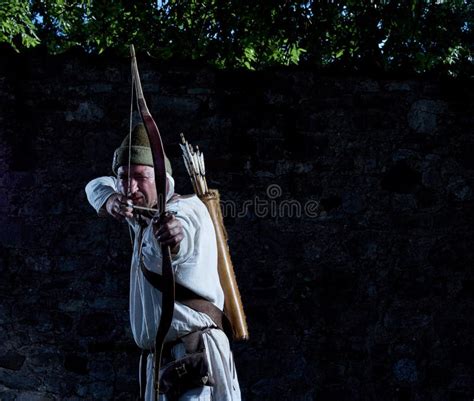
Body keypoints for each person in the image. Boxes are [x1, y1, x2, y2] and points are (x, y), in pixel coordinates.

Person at [85, 123, 241, 401]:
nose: (129, 186)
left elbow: (179, 236)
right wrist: (110, 200)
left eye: (141, 177)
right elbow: (95, 184)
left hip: (194, 359)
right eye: (123, 177)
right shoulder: (140, 215)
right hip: (164, 363)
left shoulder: (187, 210)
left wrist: (173, 235)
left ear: (163, 181)